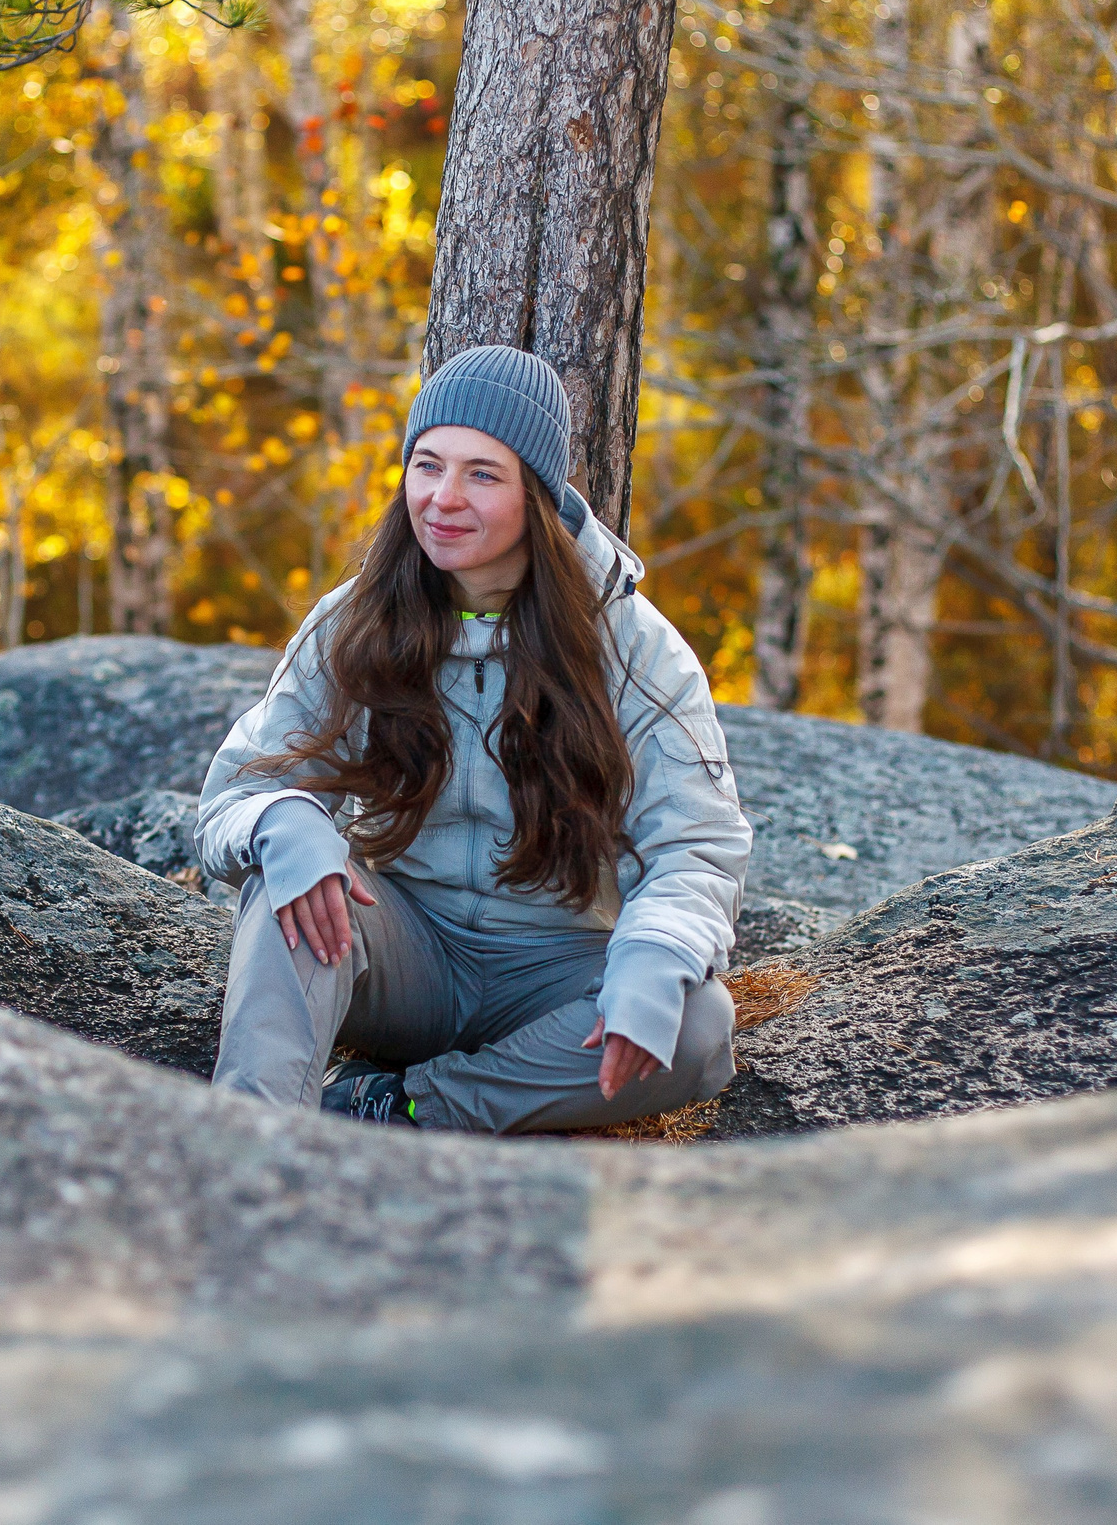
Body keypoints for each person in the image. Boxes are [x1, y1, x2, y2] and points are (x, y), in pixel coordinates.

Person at [194, 344, 754, 1134]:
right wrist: (281, 820)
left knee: (697, 1027)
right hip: (404, 955)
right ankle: (249, 1151)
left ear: (538, 494)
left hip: (554, 974)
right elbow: (237, 793)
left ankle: (409, 1105)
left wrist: (657, 953)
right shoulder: (354, 620)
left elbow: (697, 843)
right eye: (427, 466)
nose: (443, 499)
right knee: (289, 890)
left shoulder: (632, 644)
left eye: (481, 474)